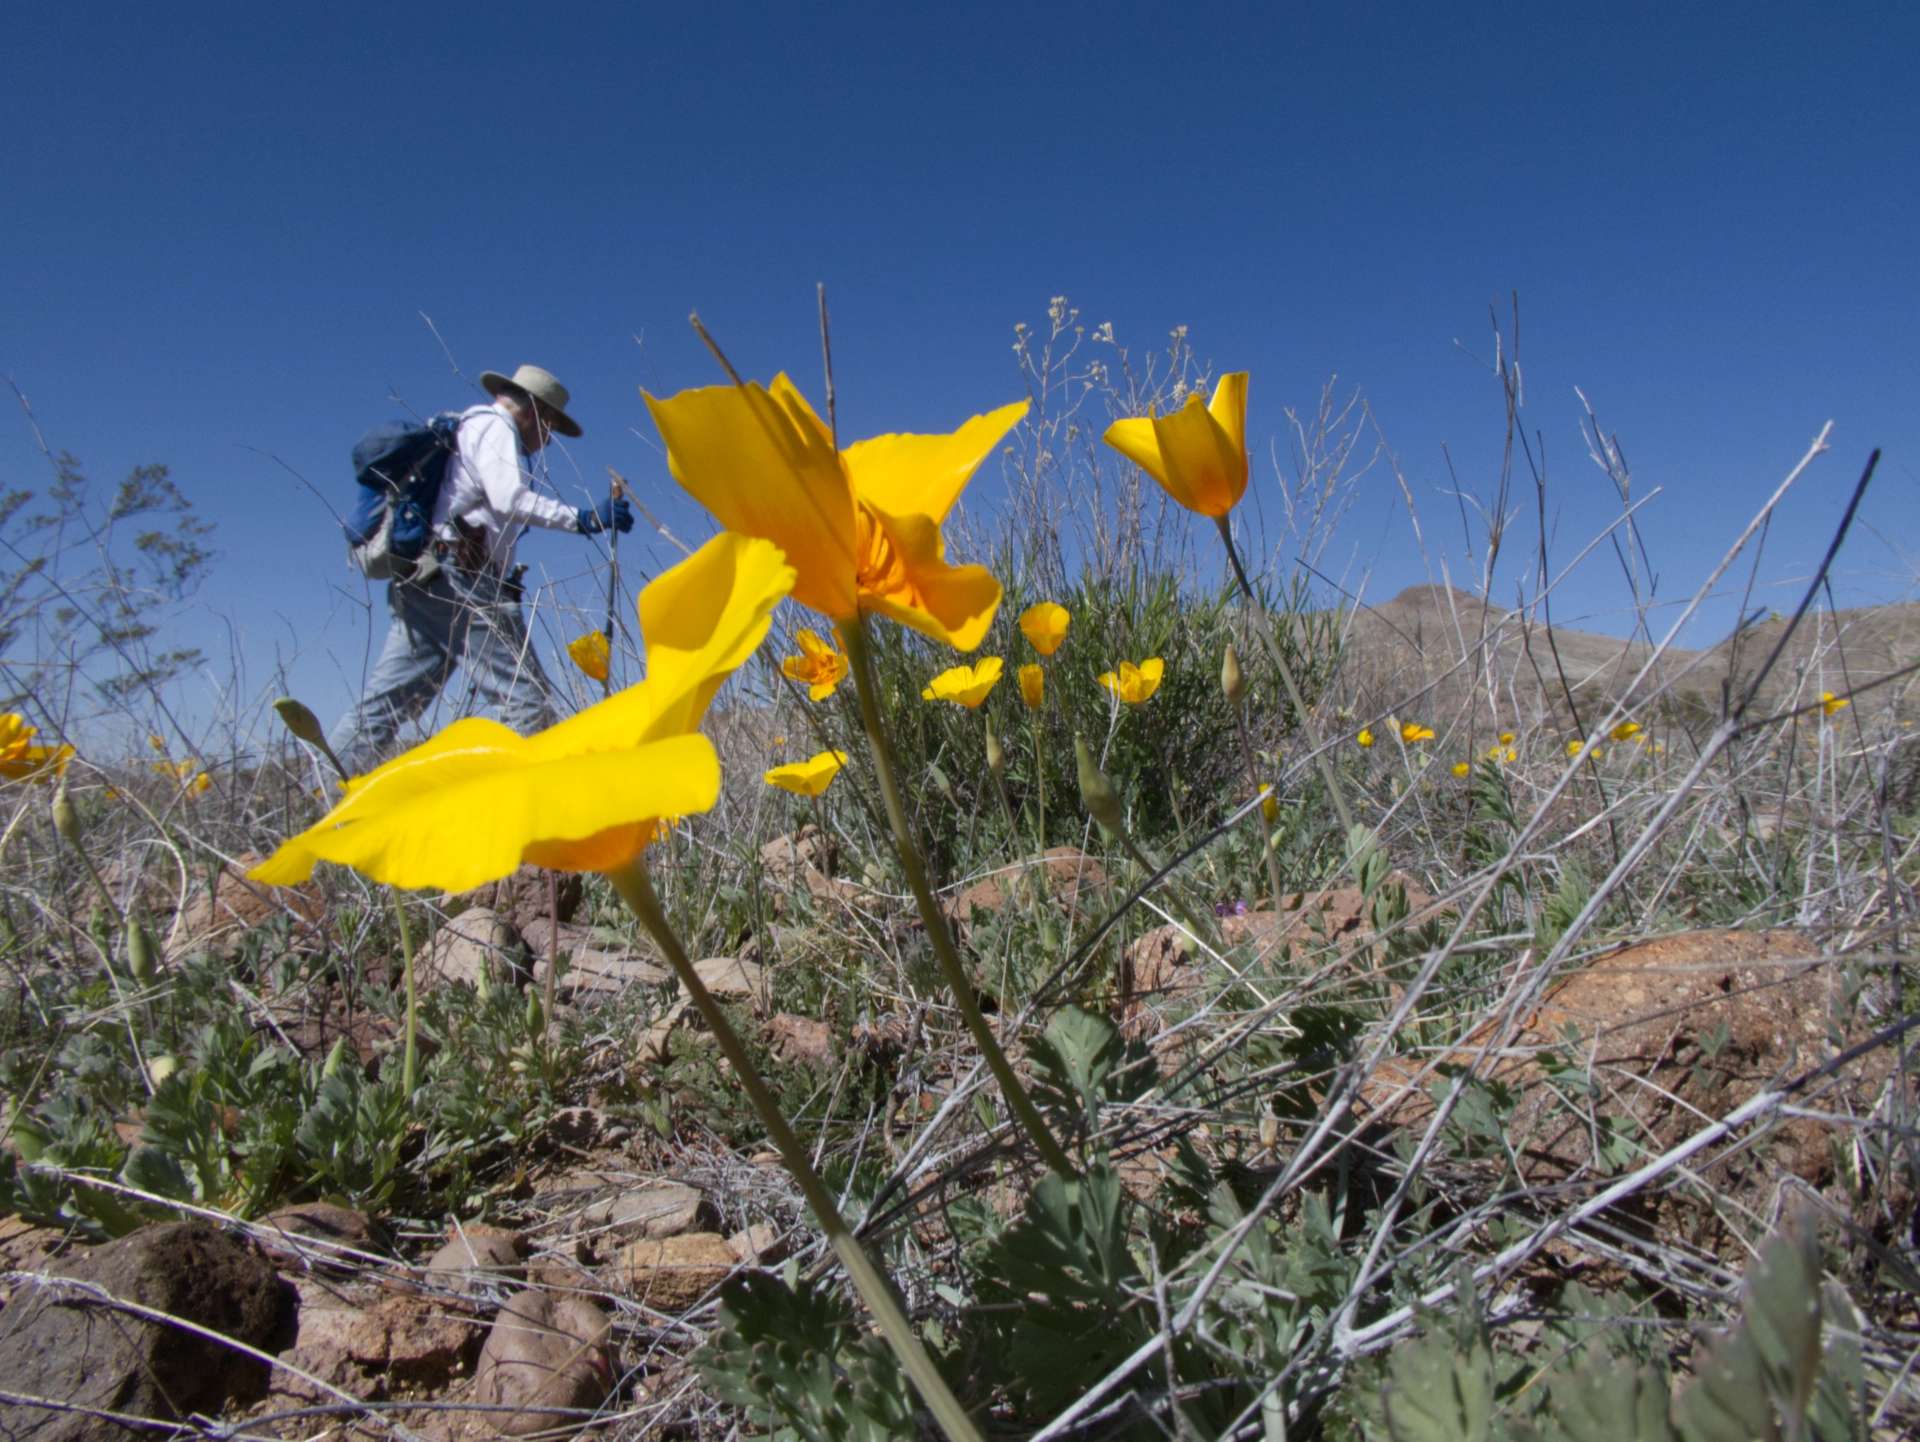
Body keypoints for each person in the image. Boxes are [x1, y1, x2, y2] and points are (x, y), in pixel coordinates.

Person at [327, 364, 633, 774]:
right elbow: (510, 499)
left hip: (426, 580)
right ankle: (535, 819)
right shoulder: (495, 426)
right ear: (536, 413)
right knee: (527, 704)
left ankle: (325, 798)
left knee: (386, 704)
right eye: (551, 428)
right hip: (460, 581)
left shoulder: (465, 428)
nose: (546, 441)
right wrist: (584, 518)